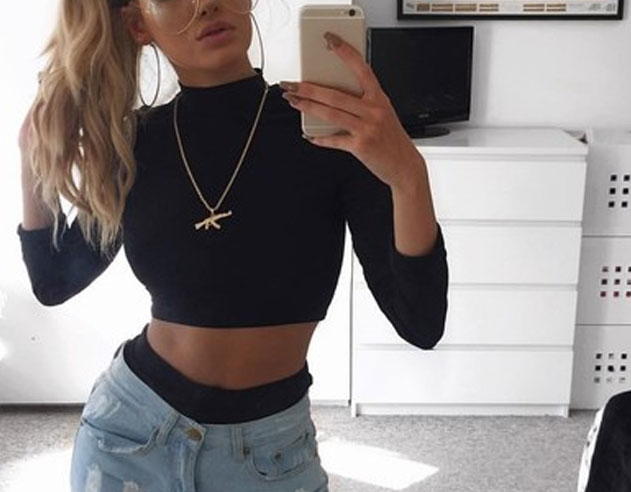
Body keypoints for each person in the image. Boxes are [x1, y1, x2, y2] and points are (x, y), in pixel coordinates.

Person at [16, 0, 449, 490]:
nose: (205, 5)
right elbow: (53, 281)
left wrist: (408, 175)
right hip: (128, 437)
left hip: (272, 454)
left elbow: (421, 322)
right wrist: (31, 155)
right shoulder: (135, 144)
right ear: (138, 24)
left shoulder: (330, 131)